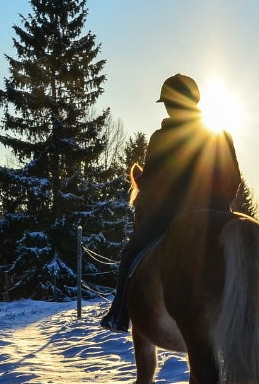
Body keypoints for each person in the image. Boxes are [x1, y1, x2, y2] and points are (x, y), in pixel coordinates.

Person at [100, 74, 242, 332]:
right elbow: (234, 179)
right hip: (221, 213)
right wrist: (220, 206)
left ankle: (119, 314)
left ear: (170, 104)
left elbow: (152, 186)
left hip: (173, 215)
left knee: (131, 253)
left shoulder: (161, 138)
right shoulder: (220, 133)